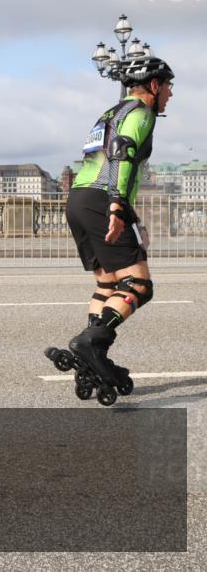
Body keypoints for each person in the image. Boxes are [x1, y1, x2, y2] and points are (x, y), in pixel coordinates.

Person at [61, 56, 174, 385]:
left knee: (107, 285)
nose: (169, 93)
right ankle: (91, 344)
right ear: (153, 86)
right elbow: (121, 153)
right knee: (139, 286)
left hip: (79, 199)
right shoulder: (140, 113)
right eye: (167, 86)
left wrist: (130, 213)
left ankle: (94, 360)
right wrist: (117, 206)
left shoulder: (111, 112)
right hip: (101, 199)